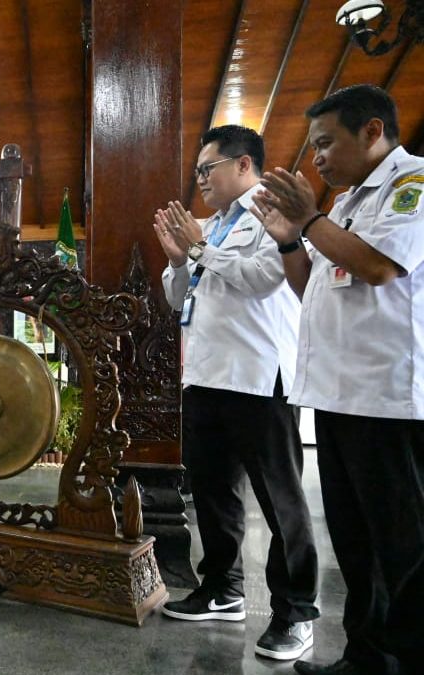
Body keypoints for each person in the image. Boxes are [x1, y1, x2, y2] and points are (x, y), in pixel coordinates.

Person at [252, 84, 424, 675]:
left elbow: (377, 267)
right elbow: (313, 290)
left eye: (326, 142)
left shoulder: (413, 185)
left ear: (373, 131)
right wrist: (288, 240)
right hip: (338, 396)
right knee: (356, 546)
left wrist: (310, 219)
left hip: (388, 398)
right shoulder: (346, 205)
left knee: (405, 549)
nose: (317, 157)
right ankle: (366, 657)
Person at [154, 125, 319, 661]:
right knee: (211, 491)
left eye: (208, 169)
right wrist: (180, 261)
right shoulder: (215, 224)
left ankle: (295, 614)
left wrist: (199, 248)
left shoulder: (270, 213)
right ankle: (222, 589)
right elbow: (181, 301)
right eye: (198, 172)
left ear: (243, 165)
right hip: (206, 377)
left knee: (281, 503)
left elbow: (261, 279)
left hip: (257, 379)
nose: (200, 180)